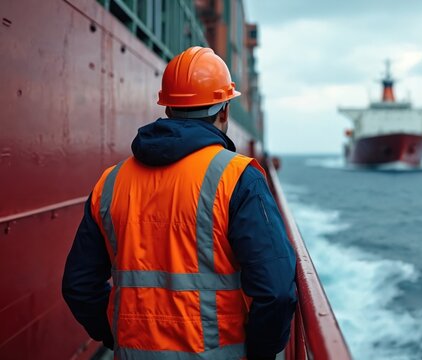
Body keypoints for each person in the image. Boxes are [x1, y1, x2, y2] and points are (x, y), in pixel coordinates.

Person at [62, 46, 297, 360]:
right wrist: (260, 352)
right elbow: (276, 292)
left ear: (168, 108)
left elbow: (79, 285)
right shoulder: (238, 178)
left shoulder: (111, 182)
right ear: (224, 111)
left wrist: (116, 335)